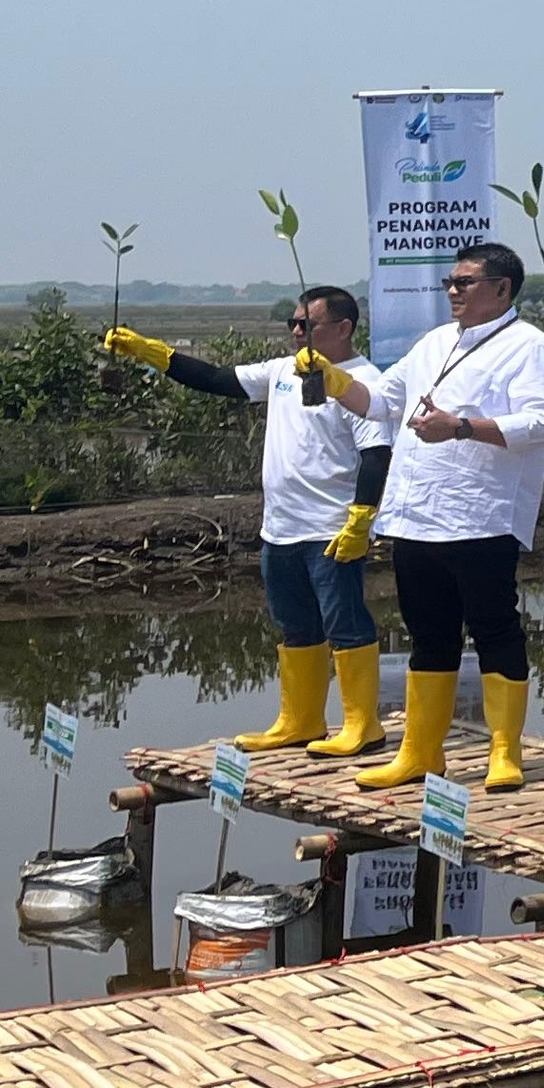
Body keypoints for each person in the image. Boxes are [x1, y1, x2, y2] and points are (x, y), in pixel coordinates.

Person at [102, 285, 394, 756]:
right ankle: (301, 720)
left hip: (331, 528)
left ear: (343, 328)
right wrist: (149, 351)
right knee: (294, 625)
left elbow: (377, 454)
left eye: (308, 325)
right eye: (294, 324)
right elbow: (217, 379)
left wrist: (362, 516)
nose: (297, 332)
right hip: (280, 528)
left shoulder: (363, 382)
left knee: (345, 623)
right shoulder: (282, 371)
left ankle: (363, 724)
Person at [324, 242, 544, 792]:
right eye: (449, 283)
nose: (453, 291)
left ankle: (505, 750)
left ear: (503, 289)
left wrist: (461, 427)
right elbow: (383, 400)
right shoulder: (434, 342)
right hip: (415, 516)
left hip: (479, 514)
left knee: (494, 627)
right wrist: (337, 379)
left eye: (465, 282)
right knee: (428, 635)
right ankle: (421, 751)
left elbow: (540, 424)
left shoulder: (530, 347)